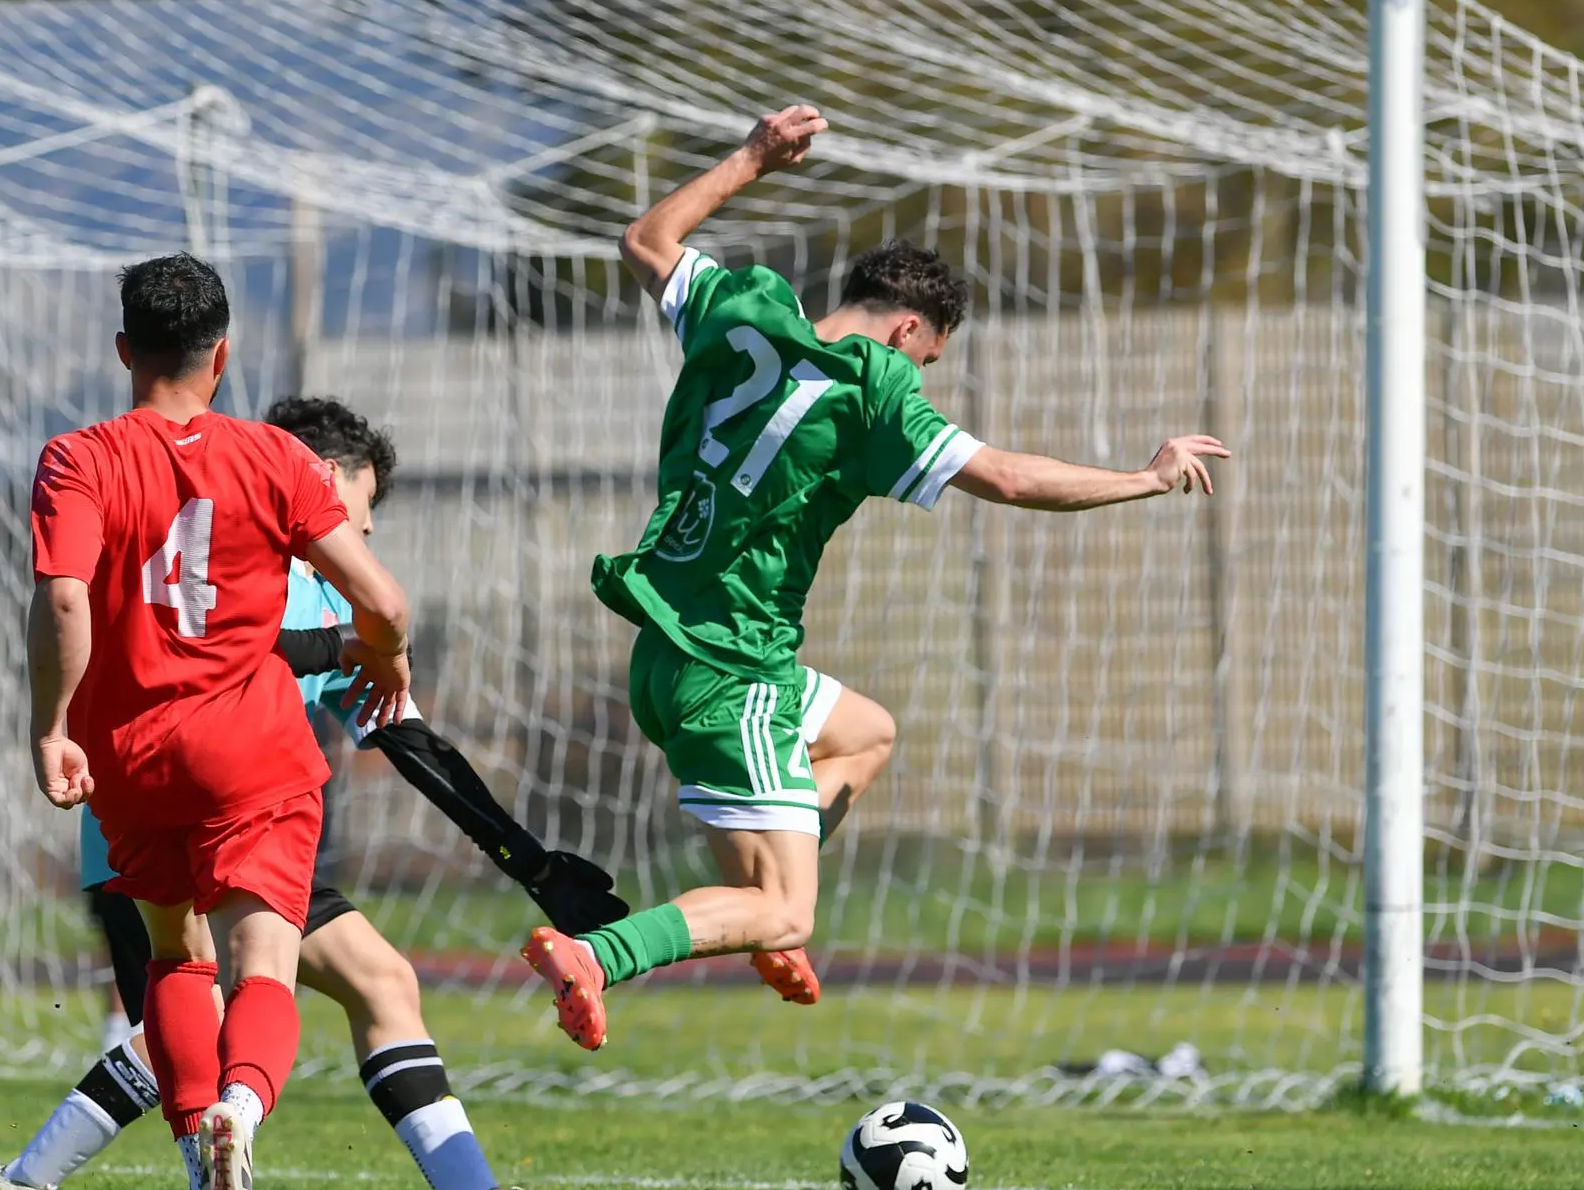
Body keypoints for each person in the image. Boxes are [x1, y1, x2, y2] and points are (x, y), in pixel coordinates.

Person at [522, 105, 1231, 1052]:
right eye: (928, 360)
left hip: (666, 653)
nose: (923, 377)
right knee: (785, 910)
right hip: (733, 667)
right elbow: (1009, 479)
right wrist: (1143, 478)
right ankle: (605, 955)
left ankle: (756, 911)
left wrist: (756, 157)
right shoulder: (873, 389)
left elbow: (645, 238)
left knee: (864, 734)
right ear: (906, 330)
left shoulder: (745, 310)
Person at [0, 396, 609, 1190]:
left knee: (378, 982)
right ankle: (39, 1177)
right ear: (319, 475)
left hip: (249, 813)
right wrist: (348, 642)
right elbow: (216, 646)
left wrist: (529, 862)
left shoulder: (326, 591)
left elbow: (408, 738)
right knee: (197, 1015)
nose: (369, 525)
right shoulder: (253, 549)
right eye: (365, 499)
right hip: (162, 815)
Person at [25, 252, 414, 1190]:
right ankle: (241, 1109)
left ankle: (199, 1139)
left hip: (132, 756)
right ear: (223, 354)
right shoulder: (275, 457)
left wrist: (51, 724)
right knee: (263, 963)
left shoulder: (78, 457)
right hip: (251, 747)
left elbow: (64, 598)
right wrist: (386, 655)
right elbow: (383, 601)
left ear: (124, 351)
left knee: (173, 956)